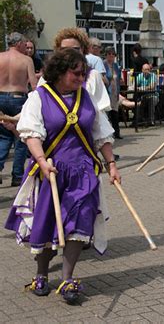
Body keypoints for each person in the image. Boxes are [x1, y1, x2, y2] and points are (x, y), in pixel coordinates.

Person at [4, 48, 120, 303]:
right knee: (47, 223)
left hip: (84, 173)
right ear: (59, 71)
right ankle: (41, 274)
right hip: (51, 173)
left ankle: (68, 279)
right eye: (75, 73)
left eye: (84, 73)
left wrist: (111, 163)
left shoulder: (86, 97)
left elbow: (101, 133)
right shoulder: (38, 97)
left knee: (80, 223)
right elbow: (31, 133)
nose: (81, 78)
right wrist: (42, 162)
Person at [0, 32, 37, 187]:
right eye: (24, 44)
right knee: (21, 138)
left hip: (1, 97)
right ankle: (17, 175)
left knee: (2, 137)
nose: (25, 47)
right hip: (18, 98)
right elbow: (34, 85)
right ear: (19, 43)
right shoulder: (26, 60)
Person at [103, 47, 122, 139]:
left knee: (115, 113)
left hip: (115, 92)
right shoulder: (103, 65)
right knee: (107, 114)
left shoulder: (116, 66)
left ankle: (117, 133)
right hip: (107, 92)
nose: (111, 56)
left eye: (113, 54)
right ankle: (107, 135)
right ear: (106, 55)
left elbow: (118, 79)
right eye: (109, 54)